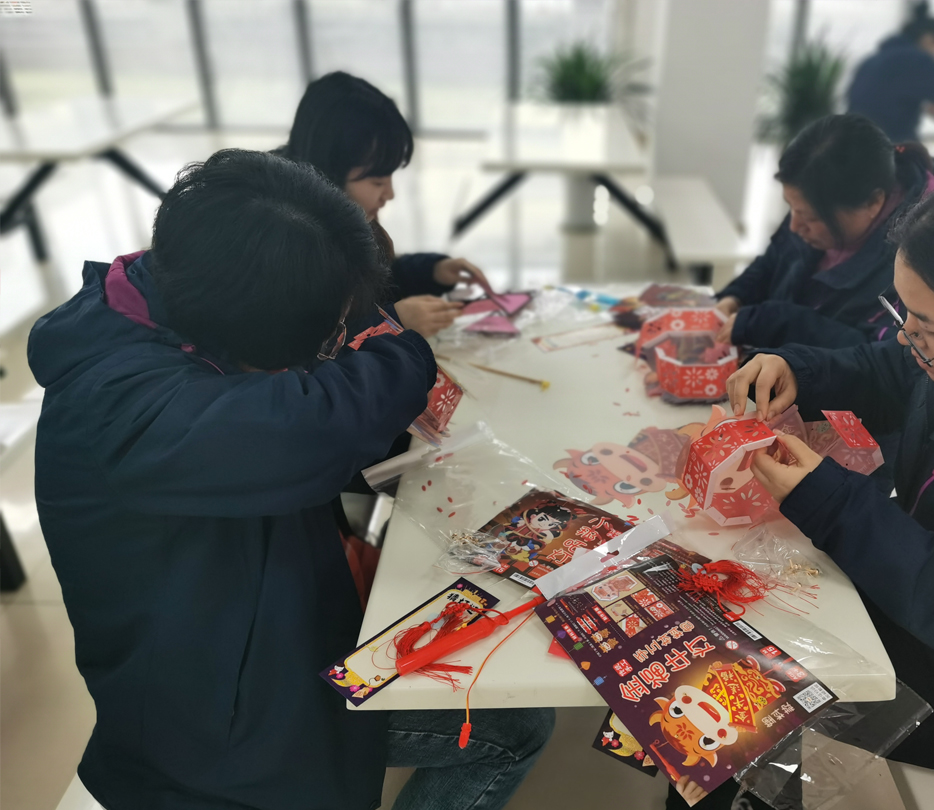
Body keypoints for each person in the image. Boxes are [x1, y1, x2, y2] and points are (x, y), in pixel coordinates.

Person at [28, 149, 553, 810]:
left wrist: (355, 324)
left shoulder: (178, 293)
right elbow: (314, 423)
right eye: (326, 339)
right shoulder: (130, 410)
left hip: (254, 636)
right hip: (222, 737)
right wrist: (404, 349)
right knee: (515, 728)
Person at [671, 163, 934, 809]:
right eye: (903, 313)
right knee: (716, 615)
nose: (908, 336)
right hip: (926, 610)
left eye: (929, 327)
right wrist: (800, 370)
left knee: (726, 690)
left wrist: (831, 501)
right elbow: (894, 368)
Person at [715, 114, 934, 351]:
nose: (794, 226)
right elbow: (774, 260)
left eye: (810, 217)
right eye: (792, 208)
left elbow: (883, 358)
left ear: (873, 202)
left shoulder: (916, 263)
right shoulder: (815, 196)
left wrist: (777, 322)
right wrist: (736, 297)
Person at [281, 71, 488, 337]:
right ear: (327, 173)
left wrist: (432, 271)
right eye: (377, 181)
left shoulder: (342, 217)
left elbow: (376, 281)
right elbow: (308, 347)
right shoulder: (284, 245)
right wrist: (390, 323)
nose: (389, 194)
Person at [847, 1, 934, 144]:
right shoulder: (912, 60)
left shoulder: (873, 60)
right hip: (889, 147)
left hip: (856, 144)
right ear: (929, 39)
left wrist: (927, 98)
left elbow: (888, 98)